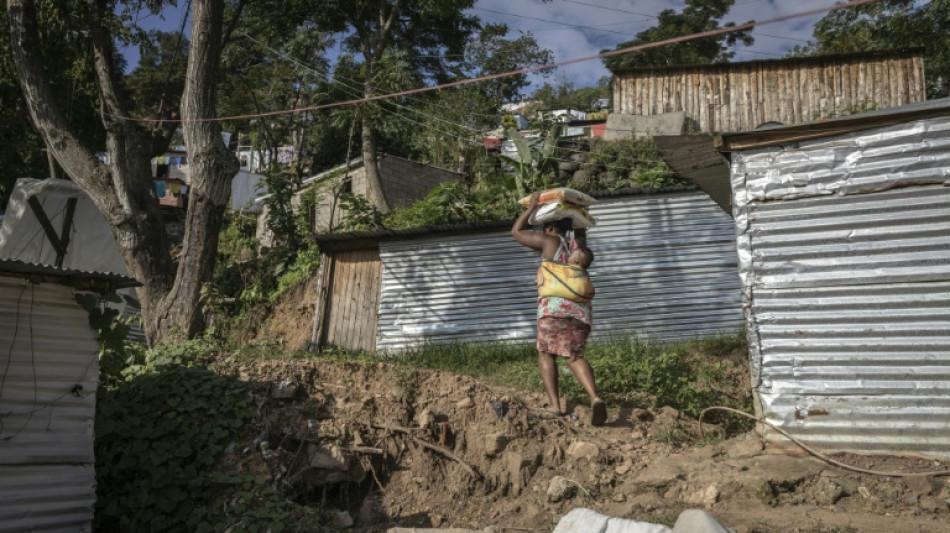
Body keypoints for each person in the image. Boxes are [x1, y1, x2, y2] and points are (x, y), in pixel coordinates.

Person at [511, 192, 607, 426]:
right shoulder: (579, 247)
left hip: (553, 310)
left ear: (550, 226)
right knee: (574, 356)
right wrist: (575, 210)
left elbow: (516, 232)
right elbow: (581, 227)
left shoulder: (549, 242)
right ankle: (595, 397)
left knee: (546, 353)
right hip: (580, 312)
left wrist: (531, 208)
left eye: (544, 227)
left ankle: (554, 405)